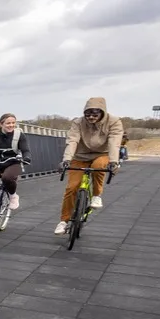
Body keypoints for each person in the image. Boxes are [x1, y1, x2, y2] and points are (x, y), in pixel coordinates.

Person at [55, 97, 123, 235]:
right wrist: (67, 159)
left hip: (101, 154)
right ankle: (63, 221)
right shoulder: (78, 122)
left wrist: (114, 161)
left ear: (102, 113)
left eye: (95, 114)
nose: (91, 117)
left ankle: (97, 195)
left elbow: (114, 142)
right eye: (88, 114)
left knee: (99, 166)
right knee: (71, 187)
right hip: (80, 156)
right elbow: (72, 140)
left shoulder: (114, 122)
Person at [0, 113, 31, 211]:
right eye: (8, 123)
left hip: (13, 162)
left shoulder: (19, 135)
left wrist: (26, 157)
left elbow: (25, 150)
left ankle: (13, 196)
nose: (11, 125)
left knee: (7, 178)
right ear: (0, 124)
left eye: (13, 123)